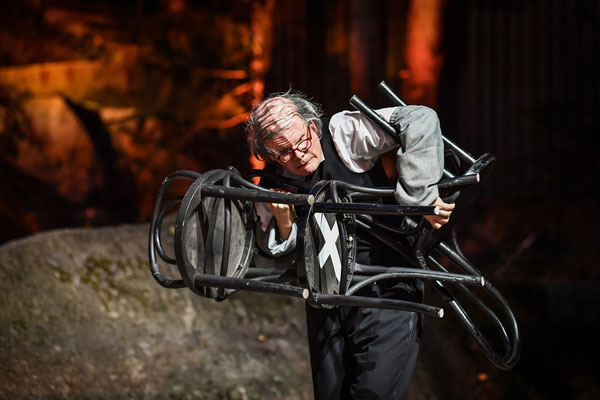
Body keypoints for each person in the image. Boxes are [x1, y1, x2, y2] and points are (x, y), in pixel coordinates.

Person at [245, 90, 454, 400]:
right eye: (283, 152)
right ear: (270, 154)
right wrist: (285, 223)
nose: (298, 155)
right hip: (326, 298)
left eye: (301, 142)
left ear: (312, 127)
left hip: (386, 288)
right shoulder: (275, 180)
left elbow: (419, 117)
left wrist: (420, 200)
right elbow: (275, 254)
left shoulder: (343, 133)